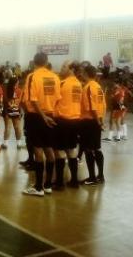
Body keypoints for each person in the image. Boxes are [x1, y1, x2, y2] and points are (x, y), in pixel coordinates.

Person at [22, 52, 61, 197]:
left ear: (34, 62)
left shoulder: (32, 76)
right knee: (49, 149)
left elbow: (32, 99)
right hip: (50, 115)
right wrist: (49, 113)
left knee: (38, 151)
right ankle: (48, 185)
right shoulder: (55, 77)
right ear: (46, 61)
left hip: (37, 116)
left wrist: (43, 116)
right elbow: (58, 98)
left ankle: (38, 187)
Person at [53, 61, 82, 190]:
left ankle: (59, 183)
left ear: (70, 69)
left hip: (63, 121)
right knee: (72, 151)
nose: (61, 68)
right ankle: (74, 181)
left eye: (64, 66)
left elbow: (54, 101)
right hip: (75, 121)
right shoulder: (78, 84)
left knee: (60, 152)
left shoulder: (63, 84)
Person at [79, 65, 106, 186]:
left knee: (88, 149)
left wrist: (97, 121)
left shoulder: (88, 87)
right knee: (97, 148)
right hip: (97, 120)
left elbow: (92, 107)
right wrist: (101, 120)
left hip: (89, 121)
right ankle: (100, 175)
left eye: (82, 72)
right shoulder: (98, 87)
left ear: (85, 73)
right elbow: (103, 105)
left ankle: (92, 178)